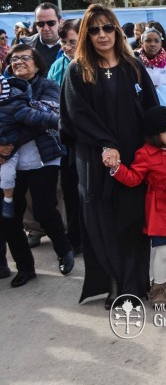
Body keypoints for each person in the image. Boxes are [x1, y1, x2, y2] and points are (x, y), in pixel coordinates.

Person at [61, 4, 159, 306]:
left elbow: (151, 110)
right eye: (93, 29)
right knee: (102, 224)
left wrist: (165, 142)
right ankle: (115, 281)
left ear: (116, 31)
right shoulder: (77, 71)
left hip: (133, 158)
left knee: (132, 221)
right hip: (95, 161)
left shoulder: (134, 67)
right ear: (86, 36)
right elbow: (76, 116)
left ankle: (133, 283)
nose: (101, 34)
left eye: (107, 28)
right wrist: (105, 143)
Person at [109, 106, 166, 304]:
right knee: (163, 251)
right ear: (154, 133)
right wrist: (117, 169)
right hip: (160, 210)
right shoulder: (145, 154)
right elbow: (134, 178)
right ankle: (158, 288)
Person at [1, 45, 74, 287]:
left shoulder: (48, 86)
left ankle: (64, 250)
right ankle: (25, 267)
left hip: (45, 157)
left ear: (37, 62)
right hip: (12, 163)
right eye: (14, 58)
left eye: (25, 57)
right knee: (11, 217)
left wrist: (10, 137)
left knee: (44, 209)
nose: (18, 62)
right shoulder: (5, 86)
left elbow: (46, 119)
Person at [47, 19, 83, 254]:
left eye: (72, 41)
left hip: (90, 140)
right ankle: (77, 238)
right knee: (70, 190)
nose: (68, 47)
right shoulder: (57, 66)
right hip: (67, 139)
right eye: (64, 42)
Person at [25, 3, 63, 70]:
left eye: (51, 23)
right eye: (40, 24)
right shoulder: (26, 46)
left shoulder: (74, 46)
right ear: (36, 25)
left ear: (60, 22)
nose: (46, 28)